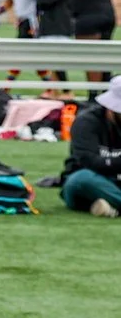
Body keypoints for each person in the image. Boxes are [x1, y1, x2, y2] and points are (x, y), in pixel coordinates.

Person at [60, 79, 121, 216]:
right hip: (95, 179)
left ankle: (111, 207)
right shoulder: (86, 122)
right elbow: (89, 161)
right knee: (81, 179)